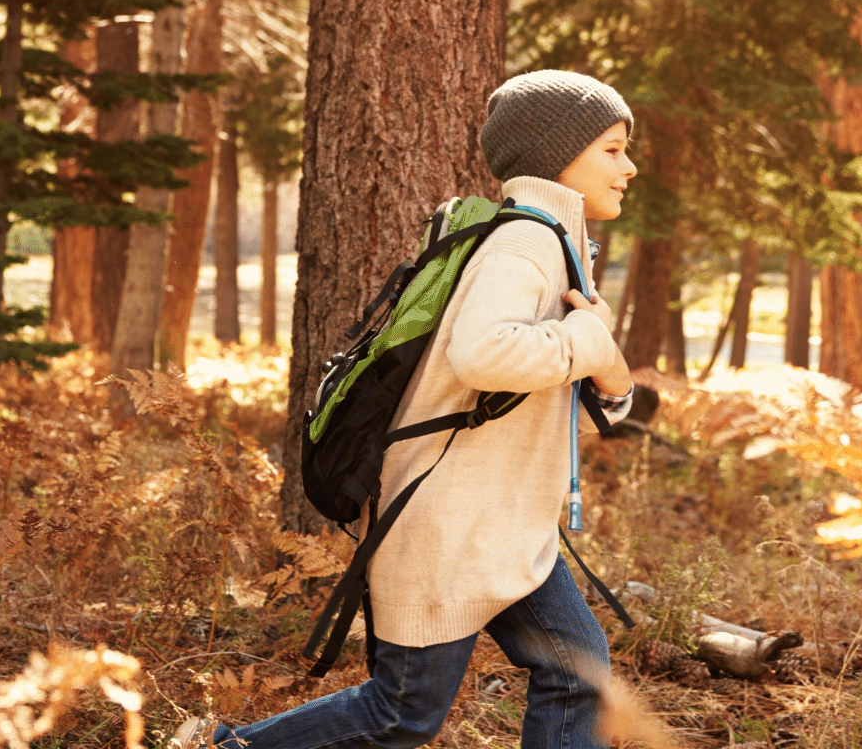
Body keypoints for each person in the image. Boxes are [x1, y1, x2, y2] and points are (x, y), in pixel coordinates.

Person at [175, 70, 639, 749]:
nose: (628, 167)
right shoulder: (525, 244)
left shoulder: (553, 243)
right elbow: (483, 353)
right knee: (402, 713)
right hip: (452, 527)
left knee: (579, 673)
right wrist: (585, 340)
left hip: (503, 528)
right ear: (555, 153)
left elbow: (590, 378)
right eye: (613, 148)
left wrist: (604, 360)